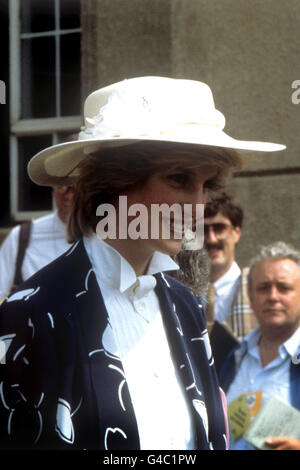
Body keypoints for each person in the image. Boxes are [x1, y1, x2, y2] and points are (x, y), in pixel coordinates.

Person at [0, 76, 285, 450]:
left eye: (207, 184)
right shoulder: (33, 313)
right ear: (115, 182)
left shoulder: (186, 307)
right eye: (179, 178)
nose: (197, 206)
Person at [219, 241, 300, 450]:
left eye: (284, 288)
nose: (273, 297)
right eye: (264, 288)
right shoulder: (233, 358)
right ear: (252, 299)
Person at [0, 186, 73, 299]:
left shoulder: (103, 238)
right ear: (53, 187)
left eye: (75, 187)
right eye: (62, 186)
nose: (69, 196)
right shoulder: (22, 237)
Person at [204, 192, 256, 339]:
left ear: (236, 233)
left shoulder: (261, 291)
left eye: (219, 228)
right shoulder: (180, 296)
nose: (211, 239)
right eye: (202, 230)